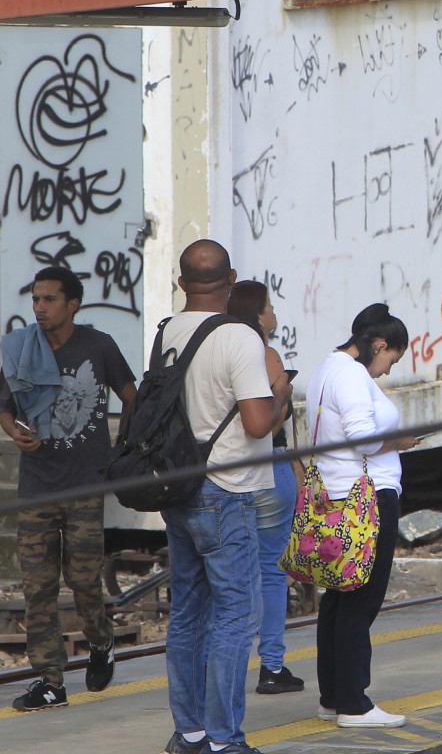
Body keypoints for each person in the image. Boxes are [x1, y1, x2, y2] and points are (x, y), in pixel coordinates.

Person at [159, 239, 292, 754]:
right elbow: (259, 424)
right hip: (227, 489)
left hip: (181, 487)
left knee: (189, 611)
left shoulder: (168, 330)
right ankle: (224, 741)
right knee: (237, 613)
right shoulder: (239, 336)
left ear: (180, 282)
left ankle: (188, 733)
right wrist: (279, 397)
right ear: (231, 279)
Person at [1, 266, 137, 712]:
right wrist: (14, 431)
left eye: (49, 299)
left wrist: (126, 447)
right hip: (38, 484)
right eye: (36, 299)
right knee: (38, 585)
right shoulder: (21, 348)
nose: (39, 307)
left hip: (84, 481)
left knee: (82, 580)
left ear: (72, 304)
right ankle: (49, 679)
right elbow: (4, 405)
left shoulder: (97, 345)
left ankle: (100, 641)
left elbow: (130, 394)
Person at [307, 305, 420, 728]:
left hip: (339, 495)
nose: (388, 370)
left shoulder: (327, 368)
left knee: (339, 597)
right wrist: (402, 441)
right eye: (391, 359)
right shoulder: (352, 374)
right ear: (378, 345)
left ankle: (333, 695)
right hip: (365, 500)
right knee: (362, 599)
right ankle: (354, 704)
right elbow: (363, 439)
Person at [225, 280, 303, 697]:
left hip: (229, 473)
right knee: (271, 572)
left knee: (235, 572)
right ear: (258, 314)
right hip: (268, 471)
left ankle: (225, 664)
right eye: (270, 306)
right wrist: (283, 394)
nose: (274, 313)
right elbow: (270, 428)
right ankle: (271, 666)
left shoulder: (221, 350)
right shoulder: (266, 354)